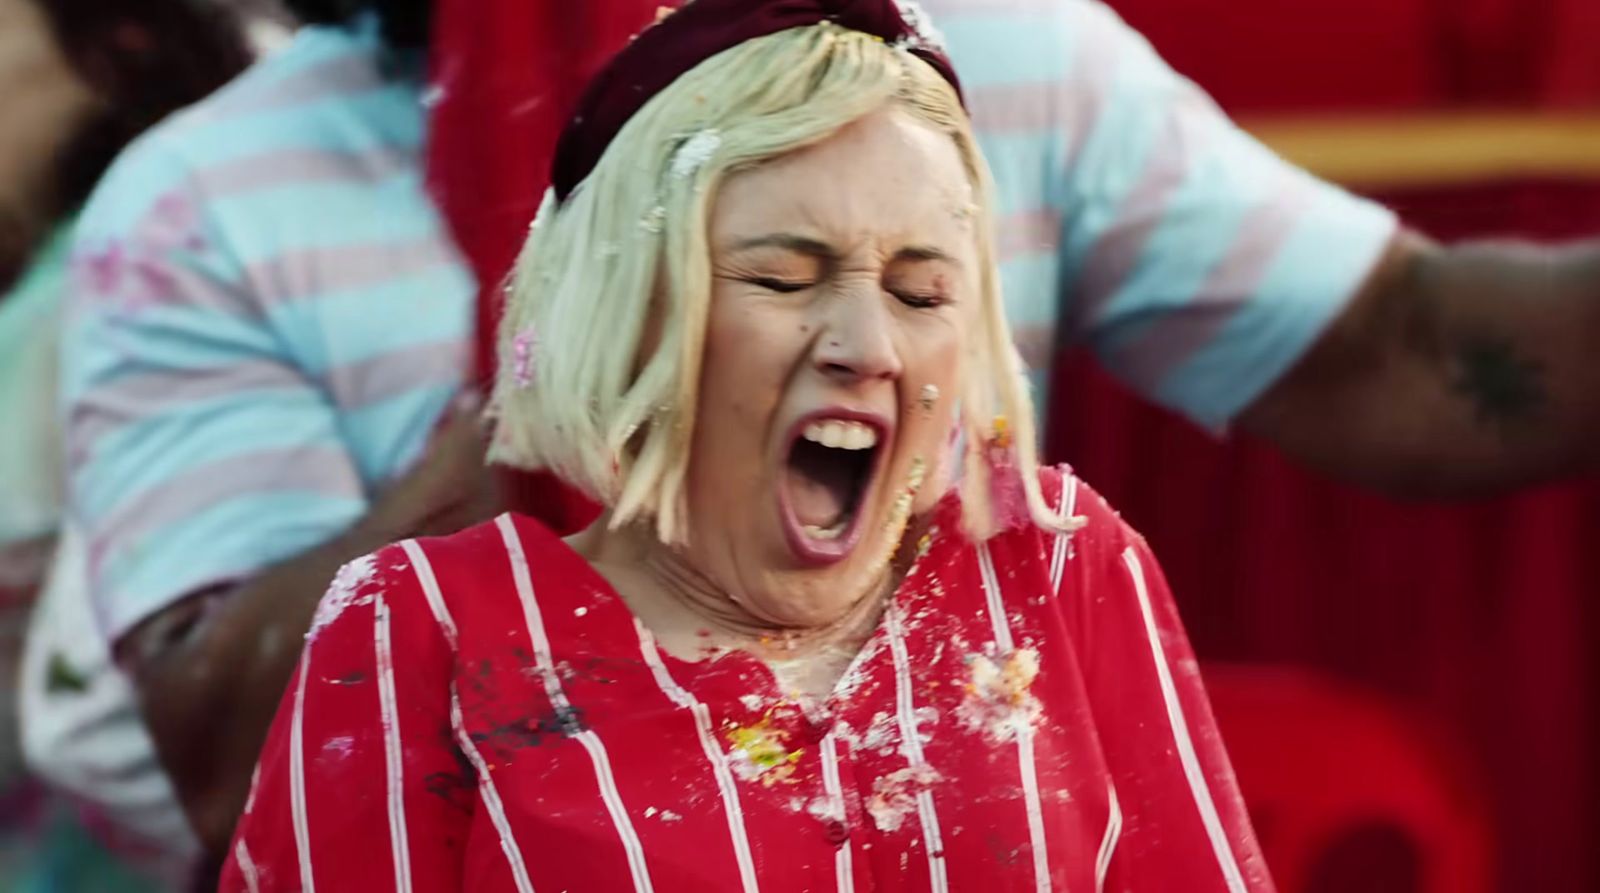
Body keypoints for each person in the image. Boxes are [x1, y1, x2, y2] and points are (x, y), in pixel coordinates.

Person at [219, 4, 1272, 890]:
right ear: (630, 312)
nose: (866, 347)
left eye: (920, 291)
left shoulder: (1054, 564)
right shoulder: (422, 628)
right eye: (781, 277)